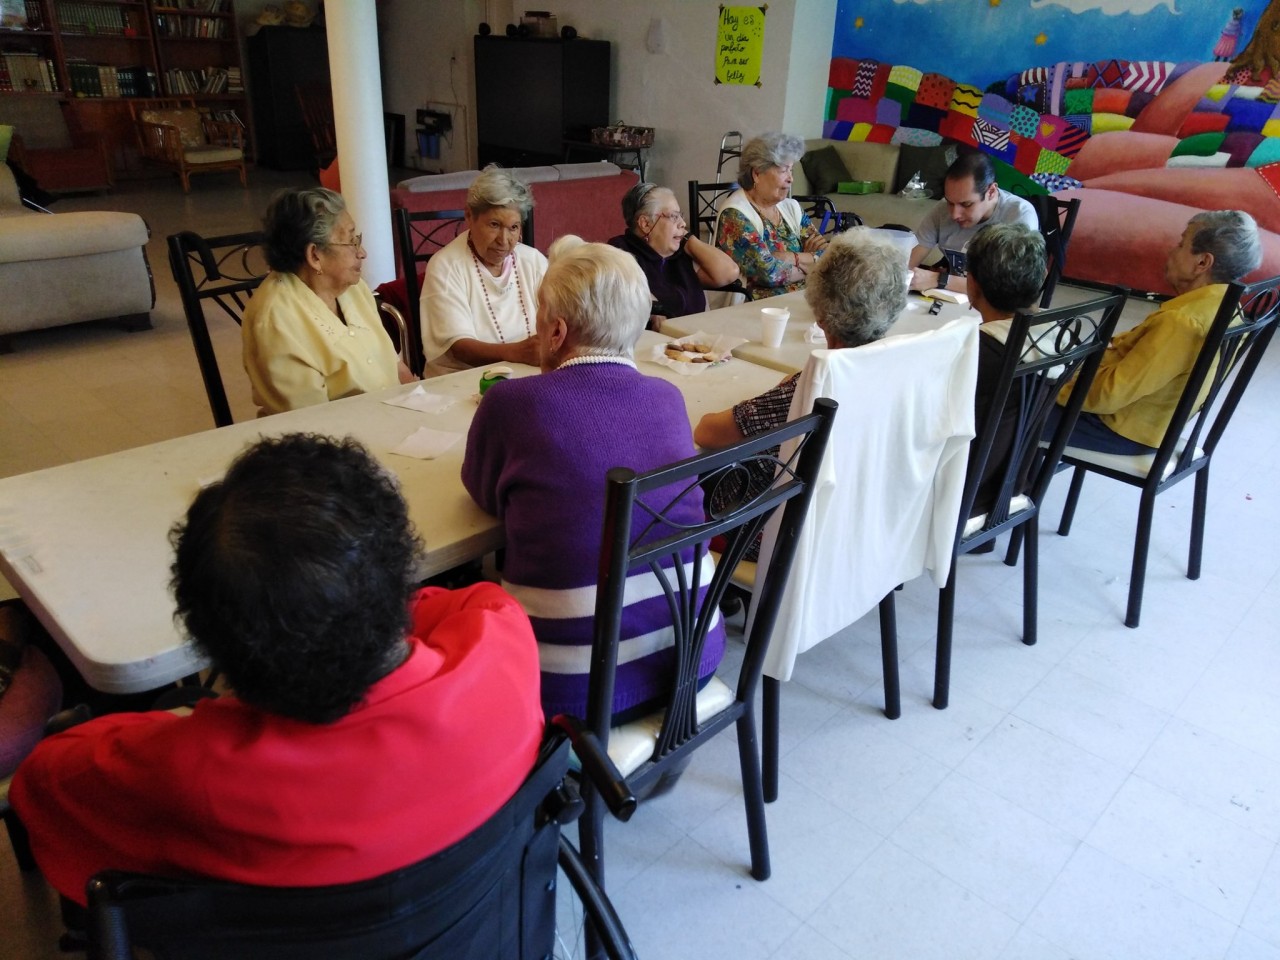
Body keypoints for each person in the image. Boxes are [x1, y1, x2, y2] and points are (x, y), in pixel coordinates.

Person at [10, 434, 544, 906]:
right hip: (483, 926)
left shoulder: (188, 772)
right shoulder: (502, 643)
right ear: (399, 575)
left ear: (211, 645)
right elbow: (458, 606)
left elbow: (41, 785)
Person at [461, 243, 725, 721]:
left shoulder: (511, 403)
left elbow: (484, 494)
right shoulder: (668, 396)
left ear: (557, 332)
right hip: (693, 658)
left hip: (570, 689)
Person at [694, 229, 906, 553]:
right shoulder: (895, 371)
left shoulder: (810, 392)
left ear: (820, 314)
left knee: (681, 482)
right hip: (852, 527)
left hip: (770, 535)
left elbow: (707, 432)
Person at [1053, 210, 1263, 453]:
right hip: (1153, 426)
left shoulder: (1183, 322)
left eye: (1181, 244)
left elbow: (1109, 395)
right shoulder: (1229, 307)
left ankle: (1017, 488)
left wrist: (1056, 386)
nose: (1171, 251)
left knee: (1015, 402)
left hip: (1117, 428)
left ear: (1202, 262)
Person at [242, 187, 415, 416]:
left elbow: (394, 367)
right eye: (351, 241)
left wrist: (420, 401)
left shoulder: (351, 288)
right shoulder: (277, 320)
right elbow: (311, 424)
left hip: (389, 420)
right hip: (332, 442)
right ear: (314, 255)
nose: (362, 252)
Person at [420, 165, 548, 376]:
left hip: (526, 377)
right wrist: (518, 352)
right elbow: (459, 347)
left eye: (513, 228)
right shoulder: (446, 266)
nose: (504, 240)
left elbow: (561, 316)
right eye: (494, 224)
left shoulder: (532, 260)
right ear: (469, 216)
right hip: (460, 381)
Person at [964, 222, 1048, 511]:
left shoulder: (975, 353)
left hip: (961, 496)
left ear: (971, 282)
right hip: (1014, 485)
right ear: (1043, 278)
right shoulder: (1060, 336)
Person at [609, 181, 739, 328]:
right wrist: (651, 305)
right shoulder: (619, 252)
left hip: (696, 340)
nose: (683, 223)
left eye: (680, 216)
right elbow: (620, 287)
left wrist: (688, 239)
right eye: (673, 216)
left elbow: (729, 272)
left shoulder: (680, 253)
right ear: (645, 224)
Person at [715, 131, 828, 300]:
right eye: (784, 170)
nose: (791, 179)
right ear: (757, 174)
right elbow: (769, 273)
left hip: (803, 299)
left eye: (791, 170)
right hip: (759, 308)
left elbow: (827, 256)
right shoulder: (735, 214)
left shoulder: (792, 208)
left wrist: (789, 257)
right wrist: (811, 263)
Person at [909, 151, 1038, 293]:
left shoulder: (1019, 215)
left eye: (966, 204)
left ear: (991, 192)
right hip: (952, 298)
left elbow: (1007, 289)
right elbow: (907, 264)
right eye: (950, 202)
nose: (954, 214)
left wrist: (939, 279)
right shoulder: (941, 210)